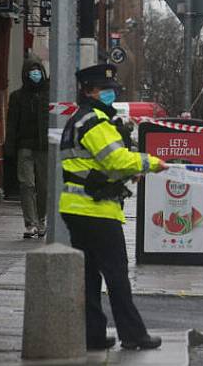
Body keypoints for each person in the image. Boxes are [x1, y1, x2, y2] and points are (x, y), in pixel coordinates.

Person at [59, 64, 168, 351]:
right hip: (95, 210)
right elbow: (115, 160)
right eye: (102, 89)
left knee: (89, 276)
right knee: (116, 275)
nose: (108, 93)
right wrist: (152, 163)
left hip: (77, 207)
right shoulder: (95, 121)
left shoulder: (79, 119)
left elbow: (91, 165)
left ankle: (92, 335)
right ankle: (133, 334)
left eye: (111, 89)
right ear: (87, 91)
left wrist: (126, 171)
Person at [4, 54, 50, 238]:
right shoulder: (17, 97)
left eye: (38, 70)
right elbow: (12, 123)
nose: (35, 74)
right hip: (25, 147)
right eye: (32, 71)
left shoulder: (49, 95)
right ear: (26, 74)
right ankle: (30, 222)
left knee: (44, 186)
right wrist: (10, 148)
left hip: (44, 147)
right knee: (26, 184)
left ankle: (41, 219)